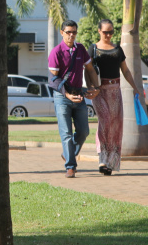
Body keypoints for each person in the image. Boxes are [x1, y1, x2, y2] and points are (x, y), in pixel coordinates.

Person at [48, 19, 100, 178]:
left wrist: (96, 88)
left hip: (79, 94)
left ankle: (68, 153)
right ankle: (70, 166)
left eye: (74, 32)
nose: (71, 35)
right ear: (62, 32)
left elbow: (90, 69)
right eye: (68, 32)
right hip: (62, 96)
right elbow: (53, 79)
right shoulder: (56, 52)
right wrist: (66, 94)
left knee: (84, 131)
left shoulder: (81, 49)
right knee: (66, 134)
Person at [90, 19, 140, 175]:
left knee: (115, 125)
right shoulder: (93, 49)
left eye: (111, 32)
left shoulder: (118, 49)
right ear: (99, 31)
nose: (108, 35)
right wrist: (91, 87)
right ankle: (102, 157)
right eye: (105, 32)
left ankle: (111, 162)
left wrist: (134, 87)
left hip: (115, 90)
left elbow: (125, 71)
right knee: (104, 120)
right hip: (99, 90)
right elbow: (87, 69)